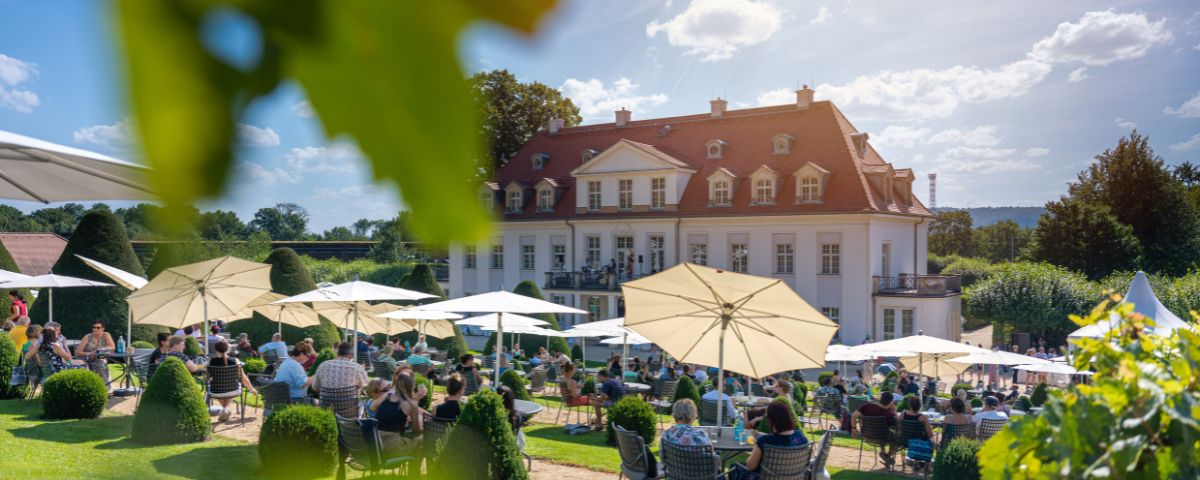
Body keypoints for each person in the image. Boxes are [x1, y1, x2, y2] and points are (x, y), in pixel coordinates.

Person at [738, 401, 809, 475]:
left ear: (771, 420)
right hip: (794, 477)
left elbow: (750, 466)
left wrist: (757, 444)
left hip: (764, 477)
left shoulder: (764, 441)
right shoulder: (801, 437)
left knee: (734, 468)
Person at [371, 371, 425, 456]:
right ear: (411, 386)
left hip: (375, 444)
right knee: (422, 439)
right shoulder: (411, 404)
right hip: (391, 447)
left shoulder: (386, 396)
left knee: (410, 439)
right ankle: (414, 469)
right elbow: (416, 429)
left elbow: (372, 407)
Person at [207, 340, 258, 422]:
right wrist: (252, 389)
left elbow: (207, 378)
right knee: (232, 386)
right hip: (233, 390)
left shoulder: (211, 361)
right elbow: (243, 378)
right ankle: (226, 409)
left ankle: (225, 409)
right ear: (228, 349)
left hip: (216, 391)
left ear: (216, 350)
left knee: (217, 388)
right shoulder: (235, 361)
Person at [850, 391, 899, 465]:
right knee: (896, 436)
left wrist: (854, 428)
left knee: (881, 430)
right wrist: (894, 411)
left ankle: (883, 451)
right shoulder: (890, 415)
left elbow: (853, 415)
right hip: (882, 437)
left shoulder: (867, 406)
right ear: (891, 402)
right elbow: (898, 426)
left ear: (880, 399)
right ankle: (887, 455)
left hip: (866, 436)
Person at [77, 319, 116, 383]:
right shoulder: (87, 337)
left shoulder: (106, 335)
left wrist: (101, 349)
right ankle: (100, 385)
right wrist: (90, 353)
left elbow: (112, 347)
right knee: (98, 365)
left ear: (102, 328)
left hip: (99, 359)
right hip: (86, 359)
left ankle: (104, 385)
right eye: (94, 327)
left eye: (98, 327)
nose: (95, 329)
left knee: (100, 364)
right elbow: (78, 352)